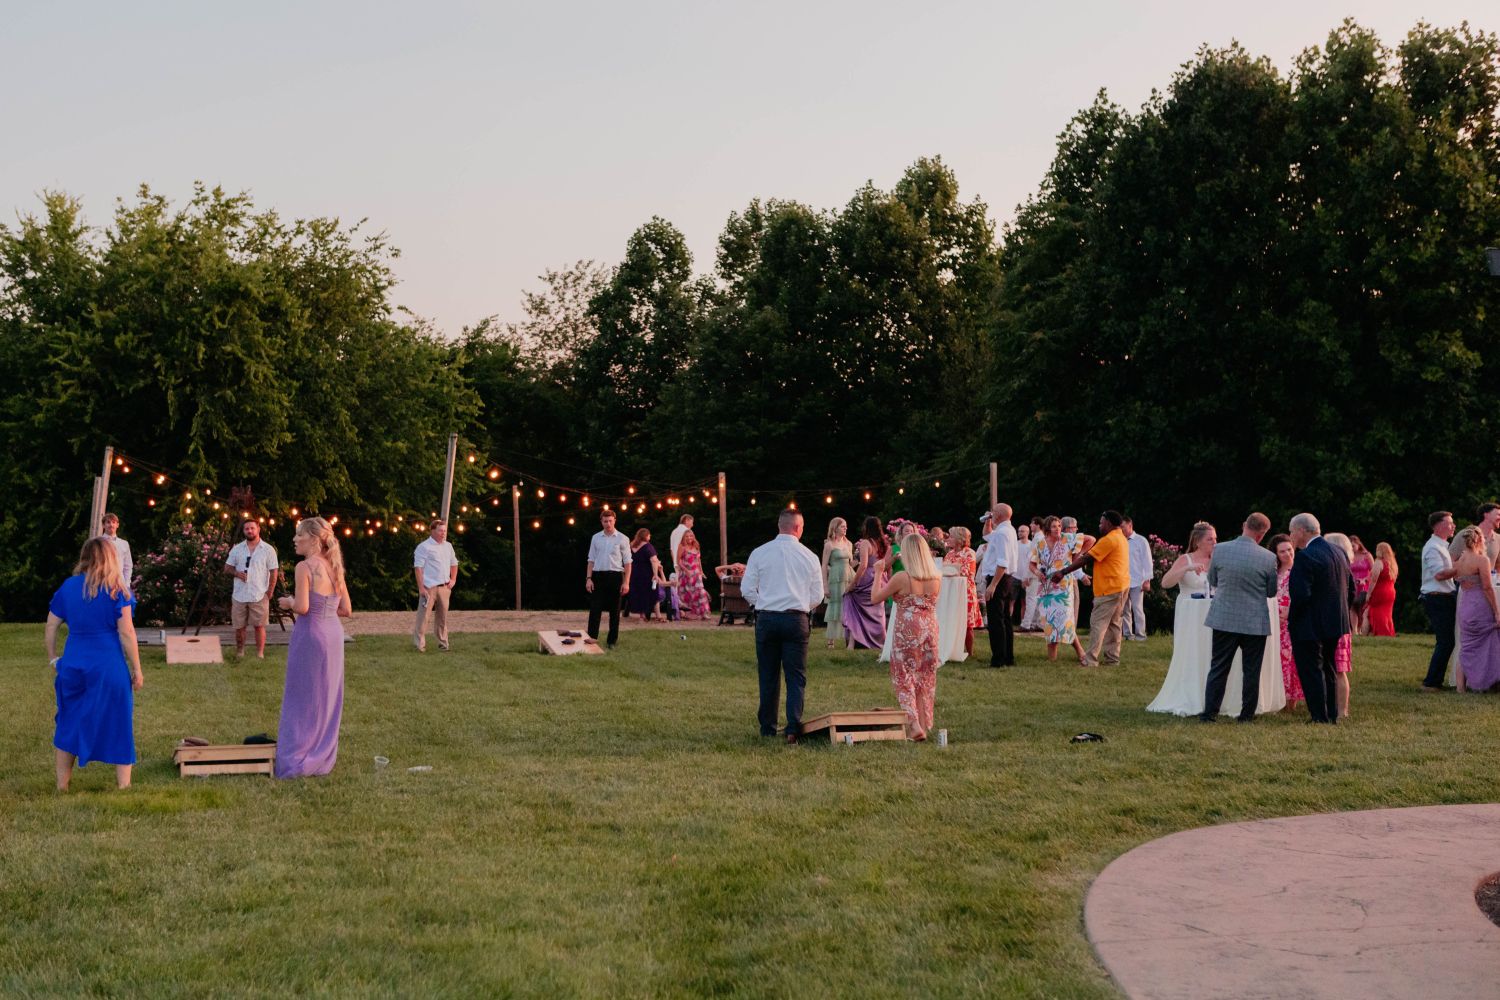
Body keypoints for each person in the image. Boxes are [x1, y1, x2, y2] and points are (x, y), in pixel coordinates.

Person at [44, 537, 143, 791]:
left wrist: (53, 657)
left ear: (85, 557)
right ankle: (124, 786)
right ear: (111, 558)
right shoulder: (117, 589)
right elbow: (127, 632)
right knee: (118, 720)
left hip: (74, 662)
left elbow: (52, 625)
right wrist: (137, 669)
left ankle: (62, 785)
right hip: (108, 665)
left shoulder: (68, 586)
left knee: (69, 721)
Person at [274, 517, 352, 778]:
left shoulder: (304, 567)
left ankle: (298, 755)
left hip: (311, 635)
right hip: (333, 636)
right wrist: (325, 609)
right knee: (327, 696)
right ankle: (321, 754)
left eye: (299, 535)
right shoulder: (335, 566)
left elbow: (303, 607)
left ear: (314, 539)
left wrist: (288, 602)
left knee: (302, 695)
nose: (295, 539)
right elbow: (346, 609)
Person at [741, 509, 824, 743]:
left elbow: (746, 589)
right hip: (796, 619)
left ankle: (768, 727)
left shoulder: (760, 553)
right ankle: (793, 728)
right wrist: (801, 605)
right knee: (796, 675)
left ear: (779, 526)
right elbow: (817, 595)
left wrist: (762, 604)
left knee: (768, 674)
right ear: (798, 528)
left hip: (767, 617)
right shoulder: (809, 556)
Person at [1199, 514, 1278, 723]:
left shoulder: (1220, 549)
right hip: (1254, 621)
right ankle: (1246, 715)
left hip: (1224, 617)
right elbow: (1271, 591)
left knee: (1219, 667)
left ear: (1244, 525)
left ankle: (1209, 713)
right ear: (1262, 534)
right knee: (1251, 670)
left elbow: (1213, 580)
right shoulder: (1268, 558)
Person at [872, 530, 943, 741]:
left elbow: (875, 598)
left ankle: (913, 724)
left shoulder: (902, 577)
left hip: (908, 629)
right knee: (925, 676)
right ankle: (924, 723)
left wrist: (878, 573)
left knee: (904, 674)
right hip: (930, 627)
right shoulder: (936, 577)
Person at [1288, 513, 1353, 724]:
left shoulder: (1305, 556)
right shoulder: (1339, 552)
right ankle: (1332, 713)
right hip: (1335, 622)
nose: (1291, 536)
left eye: (1292, 531)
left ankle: (1318, 715)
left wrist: (1293, 619)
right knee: (1329, 667)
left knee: (1311, 669)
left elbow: (1300, 595)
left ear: (1301, 531)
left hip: (1309, 624)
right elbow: (1350, 588)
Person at [1052, 510, 1130, 667]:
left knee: (1098, 623)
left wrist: (1063, 572)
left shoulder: (1109, 540)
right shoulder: (1121, 537)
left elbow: (1087, 558)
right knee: (1114, 624)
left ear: (1109, 523)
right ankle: (1112, 659)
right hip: (1121, 586)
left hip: (1109, 588)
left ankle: (1090, 660)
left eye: (1101, 523)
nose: (1099, 525)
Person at [1447, 526, 1500, 692]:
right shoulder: (1482, 560)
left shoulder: (1459, 562)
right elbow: (1487, 587)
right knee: (1490, 641)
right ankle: (1487, 680)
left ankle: (1460, 688)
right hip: (1480, 606)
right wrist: (1496, 611)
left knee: (1465, 647)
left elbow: (1454, 577)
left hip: (1465, 606)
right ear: (1479, 541)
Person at [1031, 515, 1087, 663]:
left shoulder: (1067, 538)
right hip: (1046, 588)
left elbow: (1090, 540)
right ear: (1048, 528)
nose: (1058, 529)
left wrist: (1077, 557)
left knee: (1065, 620)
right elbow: (1031, 563)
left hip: (1063, 587)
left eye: (1059, 526)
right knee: (1049, 623)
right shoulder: (1040, 543)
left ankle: (1080, 652)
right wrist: (1037, 572)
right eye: (1054, 526)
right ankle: (1052, 659)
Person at [225, 518, 280, 659]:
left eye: (252, 528)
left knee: (259, 626)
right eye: (246, 529)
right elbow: (227, 568)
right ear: (244, 531)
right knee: (239, 626)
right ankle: (240, 652)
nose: (249, 531)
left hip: (259, 594)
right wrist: (237, 573)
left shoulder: (268, 549)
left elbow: (274, 571)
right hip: (239, 594)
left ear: (258, 529)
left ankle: (260, 654)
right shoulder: (237, 549)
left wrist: (270, 592)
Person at [1419, 510, 1457, 692]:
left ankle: (1436, 679)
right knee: (1446, 641)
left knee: (1448, 640)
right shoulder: (1433, 548)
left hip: (1445, 596)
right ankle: (1431, 682)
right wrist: (1463, 566)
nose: (1453, 526)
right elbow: (1440, 574)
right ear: (1439, 526)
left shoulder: (1443, 546)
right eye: (1450, 523)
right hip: (1437, 598)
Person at [979, 503, 1019, 667]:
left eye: (993, 512)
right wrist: (988, 521)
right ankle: (1008, 657)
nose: (991, 513)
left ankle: (998, 659)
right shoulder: (1007, 529)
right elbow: (987, 535)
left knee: (996, 620)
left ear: (999, 515)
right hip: (1006, 578)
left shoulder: (1003, 533)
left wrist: (993, 585)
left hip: (999, 578)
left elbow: (1002, 562)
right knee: (1005, 619)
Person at [586, 510, 632, 647]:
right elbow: (591, 559)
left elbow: (628, 563)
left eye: (610, 521)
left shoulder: (622, 538)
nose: (608, 524)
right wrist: (589, 578)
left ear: (614, 520)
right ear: (601, 522)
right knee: (595, 609)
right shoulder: (596, 538)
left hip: (615, 576)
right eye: (605, 521)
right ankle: (592, 639)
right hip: (598, 576)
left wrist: (626, 582)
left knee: (615, 611)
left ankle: (611, 641)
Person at [1324, 533, 1358, 718]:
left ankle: (1341, 709)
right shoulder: (1346, 568)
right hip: (1343, 623)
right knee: (1338, 669)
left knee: (1337, 670)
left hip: (1334, 624)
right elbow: (1352, 594)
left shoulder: (1337, 568)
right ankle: (1339, 709)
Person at [412, 519, 459, 652]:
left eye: (444, 531)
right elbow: (418, 568)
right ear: (432, 531)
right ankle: (419, 645)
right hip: (429, 588)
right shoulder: (424, 547)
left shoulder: (448, 546)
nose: (443, 533)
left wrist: (453, 579)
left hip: (444, 587)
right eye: (440, 531)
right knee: (423, 618)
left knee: (442, 618)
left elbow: (454, 563)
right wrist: (421, 588)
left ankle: (443, 644)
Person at [842, 516, 888, 649]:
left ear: (866, 528)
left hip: (867, 578)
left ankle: (852, 643)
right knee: (877, 611)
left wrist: (852, 584)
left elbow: (863, 566)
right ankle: (880, 641)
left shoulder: (865, 543)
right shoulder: (883, 544)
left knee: (851, 601)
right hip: (880, 578)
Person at [1269, 533, 1303, 709]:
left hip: (1293, 620)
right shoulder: (1273, 572)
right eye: (1282, 551)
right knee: (1277, 660)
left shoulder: (1300, 570)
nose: (1287, 554)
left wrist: (1291, 611)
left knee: (1291, 660)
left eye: (1289, 549)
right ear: (1276, 553)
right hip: (1274, 621)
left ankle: (1291, 702)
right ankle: (1276, 698)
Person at [943, 526, 982, 656]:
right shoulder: (949, 554)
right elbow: (944, 569)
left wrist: (949, 570)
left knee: (967, 624)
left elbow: (966, 571)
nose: (948, 539)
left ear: (959, 539)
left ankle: (970, 652)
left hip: (966, 592)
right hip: (951, 591)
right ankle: (952, 649)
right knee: (952, 621)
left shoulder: (969, 553)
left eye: (951, 536)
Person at [821, 517, 853, 648]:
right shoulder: (829, 545)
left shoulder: (849, 544)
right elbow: (824, 565)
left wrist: (860, 560)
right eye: (842, 526)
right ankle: (831, 639)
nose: (845, 528)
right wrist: (825, 586)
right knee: (835, 606)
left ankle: (849, 638)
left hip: (848, 577)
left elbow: (851, 564)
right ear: (835, 528)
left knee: (848, 607)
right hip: (835, 578)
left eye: (846, 526)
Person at [1122, 517, 1152, 640]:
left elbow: (1147, 561)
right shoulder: (1120, 541)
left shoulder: (1141, 540)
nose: (1121, 529)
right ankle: (1127, 635)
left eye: (1123, 527)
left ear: (1130, 525)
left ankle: (1140, 635)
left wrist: (1147, 580)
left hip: (1137, 581)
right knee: (1124, 610)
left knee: (1137, 609)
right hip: (1122, 581)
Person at [626, 529, 663, 621]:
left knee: (639, 594)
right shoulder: (648, 546)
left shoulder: (631, 545)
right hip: (647, 574)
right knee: (654, 593)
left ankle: (642, 616)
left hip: (634, 573)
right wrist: (655, 574)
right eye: (649, 535)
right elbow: (654, 561)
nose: (650, 537)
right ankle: (658, 616)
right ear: (646, 536)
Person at [675, 529, 711, 621]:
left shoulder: (696, 546)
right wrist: (686, 570)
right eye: (687, 536)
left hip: (696, 574)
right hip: (685, 574)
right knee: (688, 594)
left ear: (693, 537)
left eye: (691, 536)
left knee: (700, 592)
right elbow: (678, 561)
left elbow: (698, 560)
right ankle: (688, 613)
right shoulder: (682, 546)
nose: (689, 538)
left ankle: (704, 612)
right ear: (684, 537)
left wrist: (701, 571)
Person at [1366, 542, 1398, 636]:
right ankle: (1389, 632)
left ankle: (1381, 633)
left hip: (1380, 591)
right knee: (1387, 614)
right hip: (1390, 591)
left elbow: (1374, 580)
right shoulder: (1393, 563)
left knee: (1376, 612)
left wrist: (1369, 593)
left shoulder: (1379, 562)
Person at [99, 512, 133, 596]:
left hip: (120, 585)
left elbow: (128, 566)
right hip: (101, 584)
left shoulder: (124, 544)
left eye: (113, 522)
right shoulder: (97, 543)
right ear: (103, 525)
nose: (111, 525)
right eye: (108, 522)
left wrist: (126, 585)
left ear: (117, 525)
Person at [1348, 535, 1374, 634]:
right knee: (1352, 607)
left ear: (1358, 544)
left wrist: (1366, 579)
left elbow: (1374, 571)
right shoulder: (1349, 555)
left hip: (1364, 585)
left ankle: (1361, 629)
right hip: (1352, 584)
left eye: (1353, 546)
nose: (1352, 548)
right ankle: (1354, 631)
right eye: (1350, 546)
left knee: (1362, 608)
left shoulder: (1367, 555)